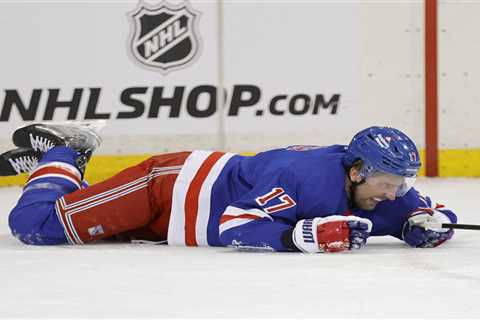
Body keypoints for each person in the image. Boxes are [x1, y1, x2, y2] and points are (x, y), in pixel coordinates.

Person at [0, 123, 457, 253]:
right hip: (165, 189)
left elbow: (433, 212)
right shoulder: (301, 177)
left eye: (403, 185)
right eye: (388, 184)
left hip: (171, 225)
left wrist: (426, 225)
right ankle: (66, 152)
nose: (395, 195)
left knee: (81, 218)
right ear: (357, 172)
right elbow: (233, 223)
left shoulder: (384, 188)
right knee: (35, 225)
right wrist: (299, 237)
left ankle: (63, 178)